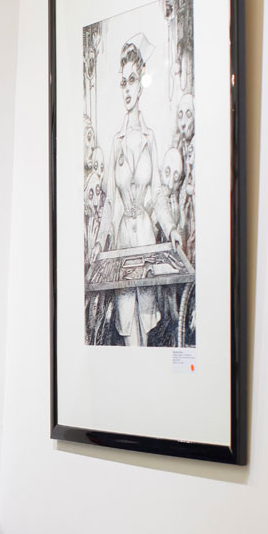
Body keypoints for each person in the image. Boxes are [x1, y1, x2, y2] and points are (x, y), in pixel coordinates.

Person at [103, 37, 161, 346]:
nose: (127, 89)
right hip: (124, 243)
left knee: (147, 326)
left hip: (147, 242)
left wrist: (172, 229)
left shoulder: (150, 138)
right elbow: (110, 202)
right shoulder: (116, 141)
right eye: (123, 82)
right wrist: (99, 241)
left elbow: (159, 195)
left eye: (133, 80)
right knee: (128, 329)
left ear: (142, 83)